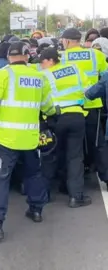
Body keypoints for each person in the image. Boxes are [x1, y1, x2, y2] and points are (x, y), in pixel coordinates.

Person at [0, 42, 56, 242]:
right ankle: (36, 210)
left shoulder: (2, 75)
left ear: (9, 57)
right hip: (30, 138)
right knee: (33, 174)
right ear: (27, 57)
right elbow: (47, 106)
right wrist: (53, 113)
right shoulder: (39, 76)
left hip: (5, 139)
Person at [39, 48, 92, 207]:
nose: (41, 66)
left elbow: (42, 99)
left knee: (51, 155)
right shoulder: (75, 68)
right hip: (77, 115)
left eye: (42, 62)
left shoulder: (44, 76)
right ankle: (75, 196)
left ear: (50, 60)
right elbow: (88, 89)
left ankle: (44, 195)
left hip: (55, 118)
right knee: (75, 157)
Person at [59, 28, 108, 187]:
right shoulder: (96, 55)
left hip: (71, 107)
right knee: (97, 144)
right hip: (92, 105)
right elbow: (105, 78)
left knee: (73, 147)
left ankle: (72, 183)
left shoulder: (62, 57)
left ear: (66, 41)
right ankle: (106, 177)